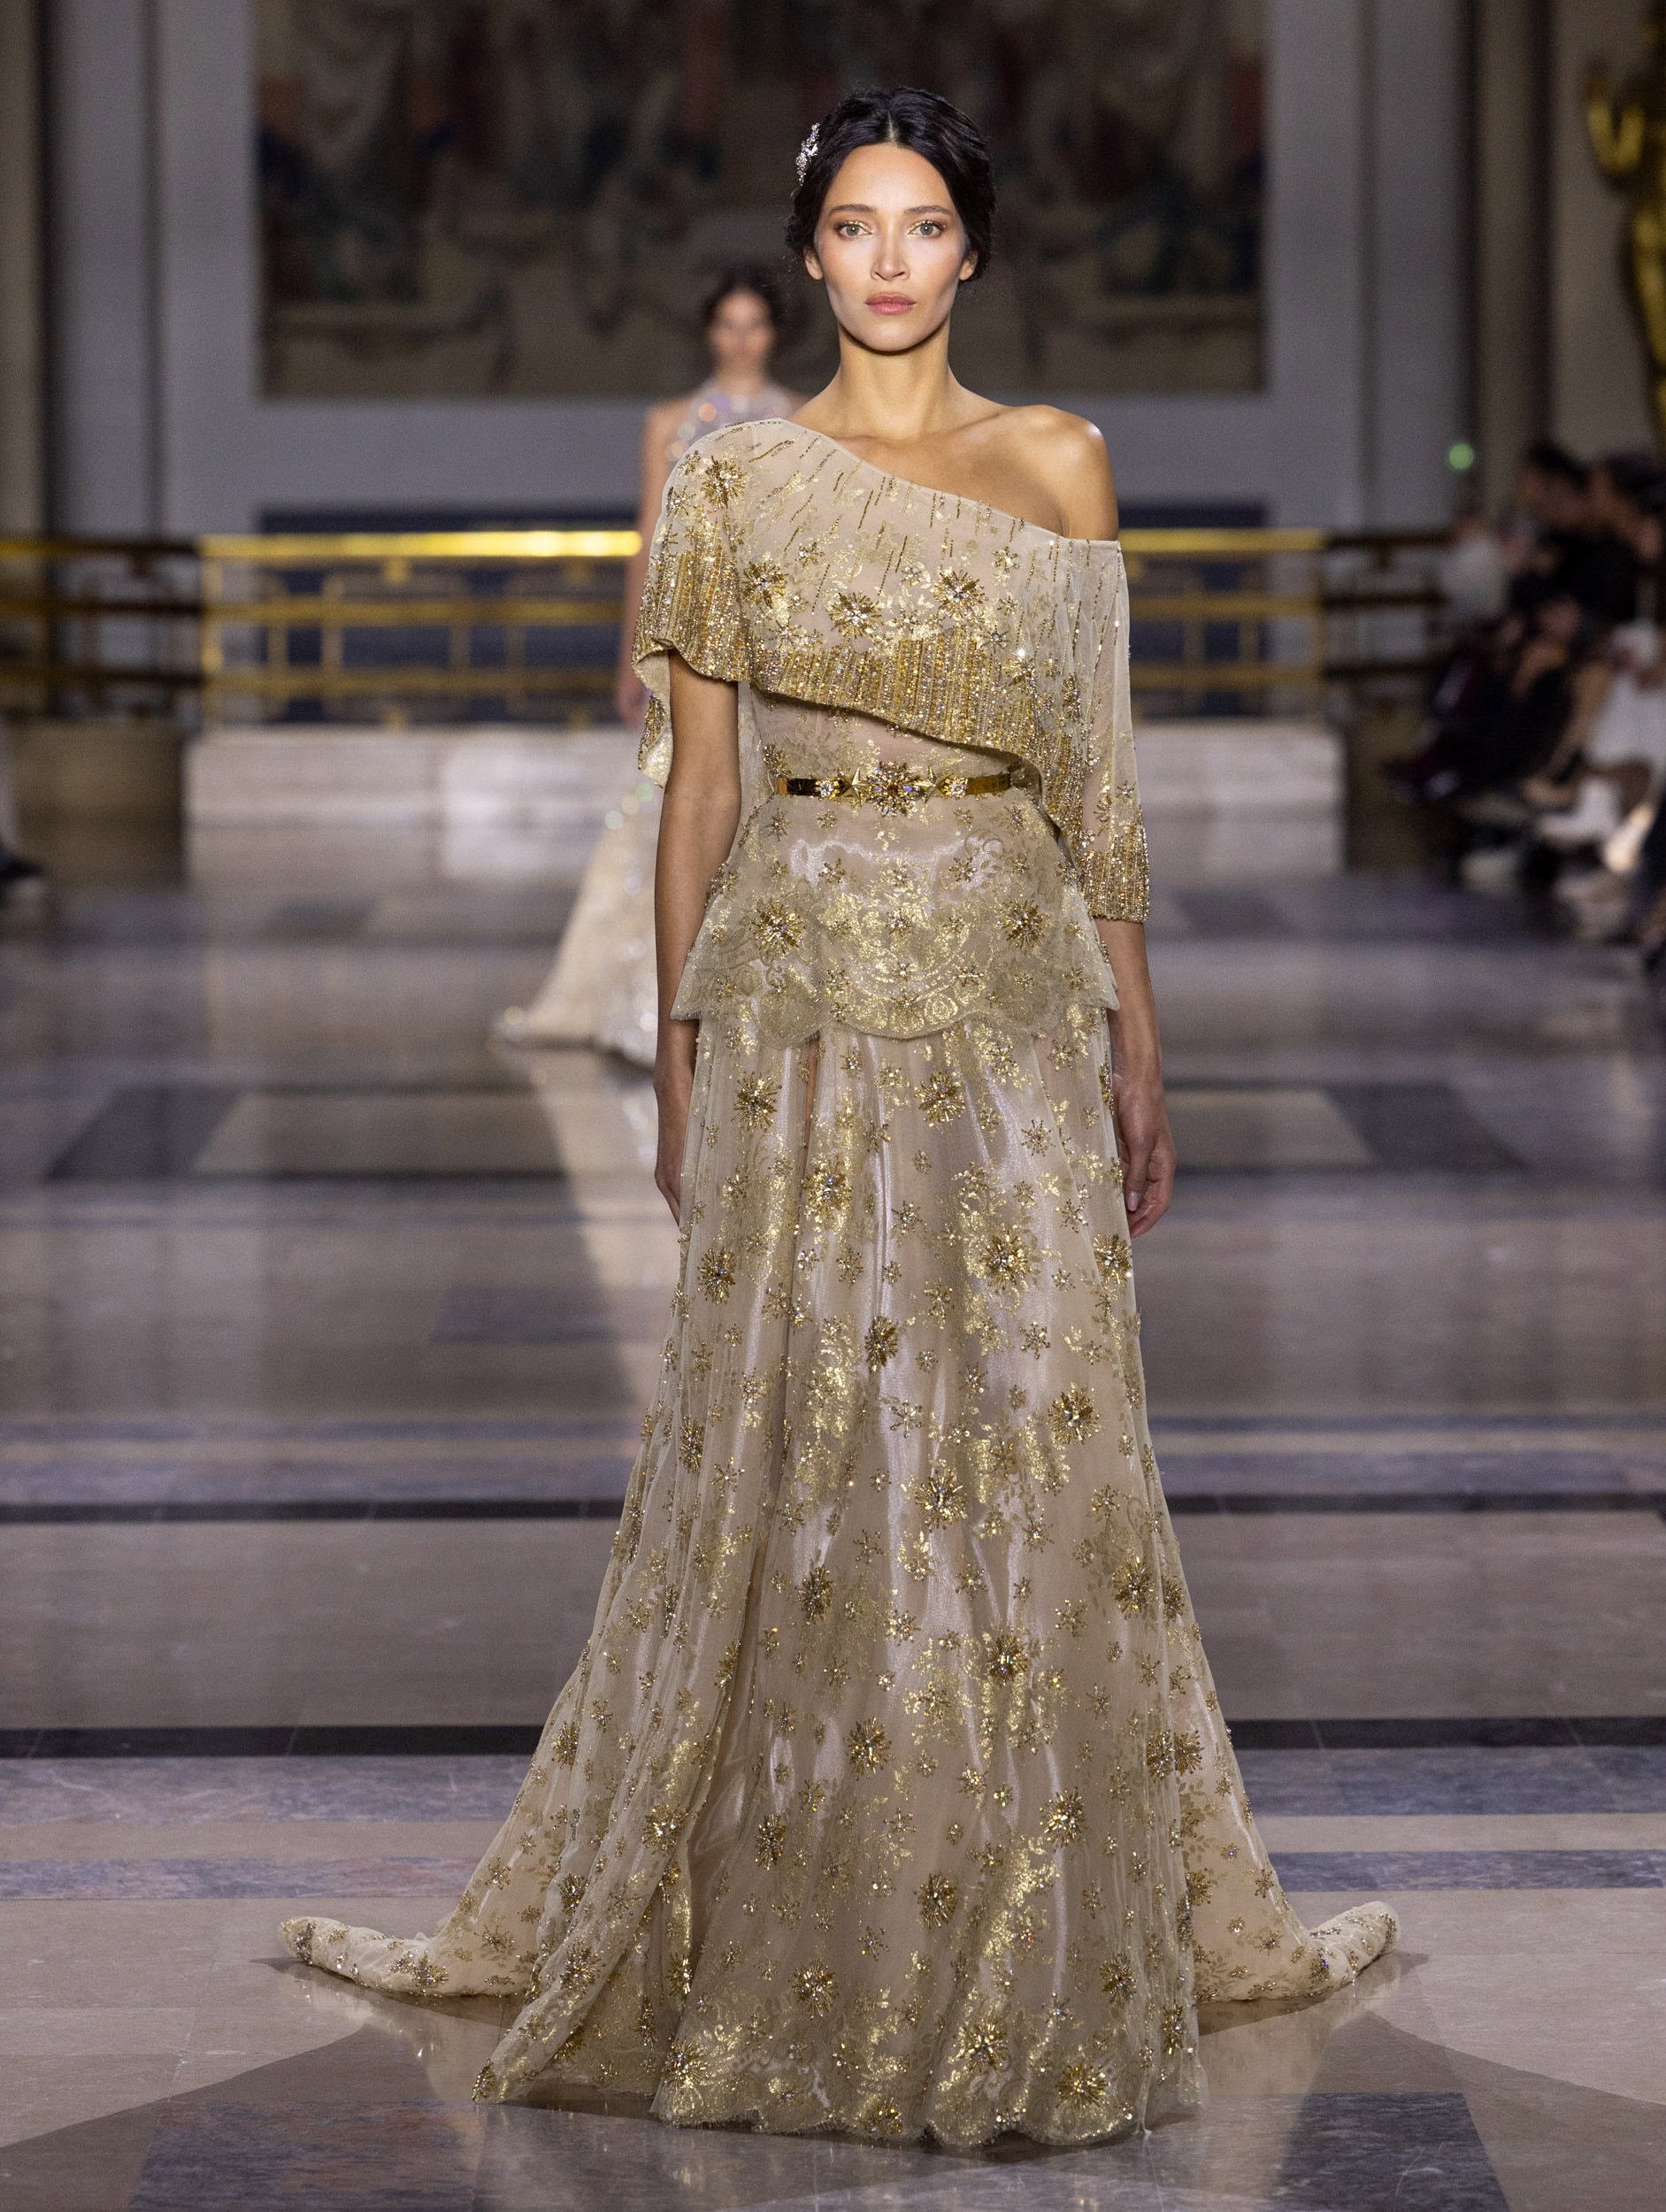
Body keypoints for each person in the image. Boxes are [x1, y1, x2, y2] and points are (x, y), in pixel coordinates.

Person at [284, 87, 1395, 2147]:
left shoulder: (1058, 461)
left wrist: (1140, 1034)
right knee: (804, 1438)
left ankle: (1032, 1915)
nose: (889, 260)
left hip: (1009, 976)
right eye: (855, 226)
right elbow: (698, 789)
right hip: (795, 987)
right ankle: (812, 1918)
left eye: (924, 225)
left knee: (1031, 1423)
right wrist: (674, 1041)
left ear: (973, 249)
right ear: (809, 256)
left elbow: (1098, 778)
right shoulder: (735, 478)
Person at [495, 267, 800, 1063]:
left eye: (755, 324)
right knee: (674, 798)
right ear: (708, 331)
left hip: (771, 640)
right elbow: (649, 541)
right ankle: (654, 1002)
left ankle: (758, 995)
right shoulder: (669, 422)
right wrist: (632, 654)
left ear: (773, 332)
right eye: (728, 324)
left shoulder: (804, 420)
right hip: (688, 633)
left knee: (766, 802)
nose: (741, 340)